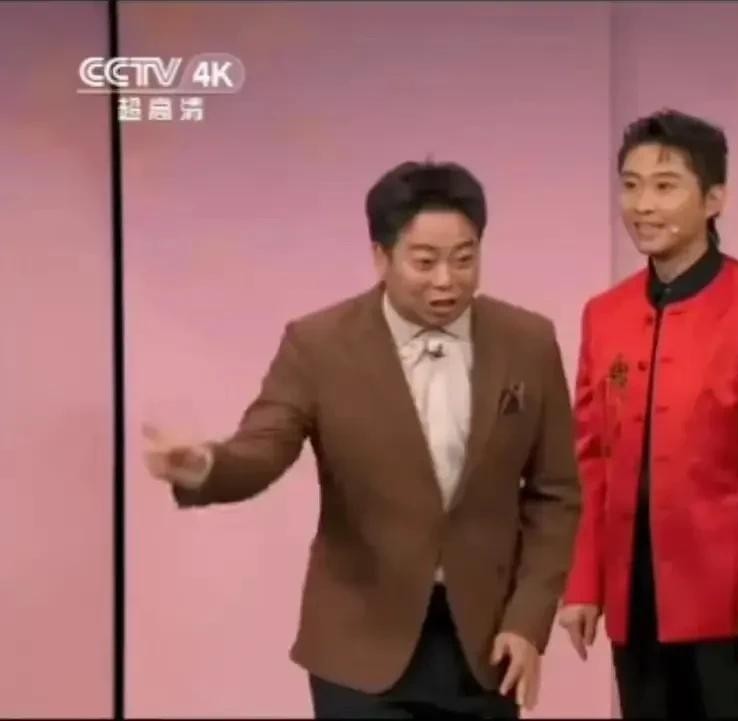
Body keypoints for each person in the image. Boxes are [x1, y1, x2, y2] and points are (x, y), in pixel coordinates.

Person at [141, 159, 582, 719]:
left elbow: (555, 494)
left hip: (486, 645)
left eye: (464, 258)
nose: (446, 280)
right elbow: (264, 446)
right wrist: (205, 466)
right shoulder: (319, 345)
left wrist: (527, 621)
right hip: (359, 644)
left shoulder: (527, 341)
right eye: (425, 261)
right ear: (381, 257)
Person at [556, 109, 738, 719]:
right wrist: (583, 583)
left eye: (665, 186)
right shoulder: (605, 314)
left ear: (714, 199)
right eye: (630, 186)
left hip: (728, 601)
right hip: (635, 594)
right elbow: (589, 458)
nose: (643, 205)